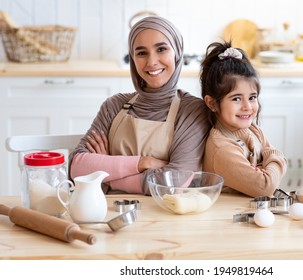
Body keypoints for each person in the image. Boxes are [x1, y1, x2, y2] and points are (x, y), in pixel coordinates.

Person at [69, 16, 210, 194]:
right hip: (107, 213)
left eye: (161, 49)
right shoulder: (114, 105)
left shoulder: (192, 111)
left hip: (163, 215)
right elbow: (76, 168)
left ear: (177, 52)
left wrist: (105, 174)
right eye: (141, 53)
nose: (152, 62)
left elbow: (175, 182)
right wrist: (143, 163)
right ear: (133, 59)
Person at [200, 41, 287, 198]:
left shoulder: (252, 129)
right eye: (236, 99)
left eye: (252, 97)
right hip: (227, 218)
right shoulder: (222, 149)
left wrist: (268, 165)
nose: (247, 106)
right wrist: (273, 158)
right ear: (212, 103)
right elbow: (265, 186)